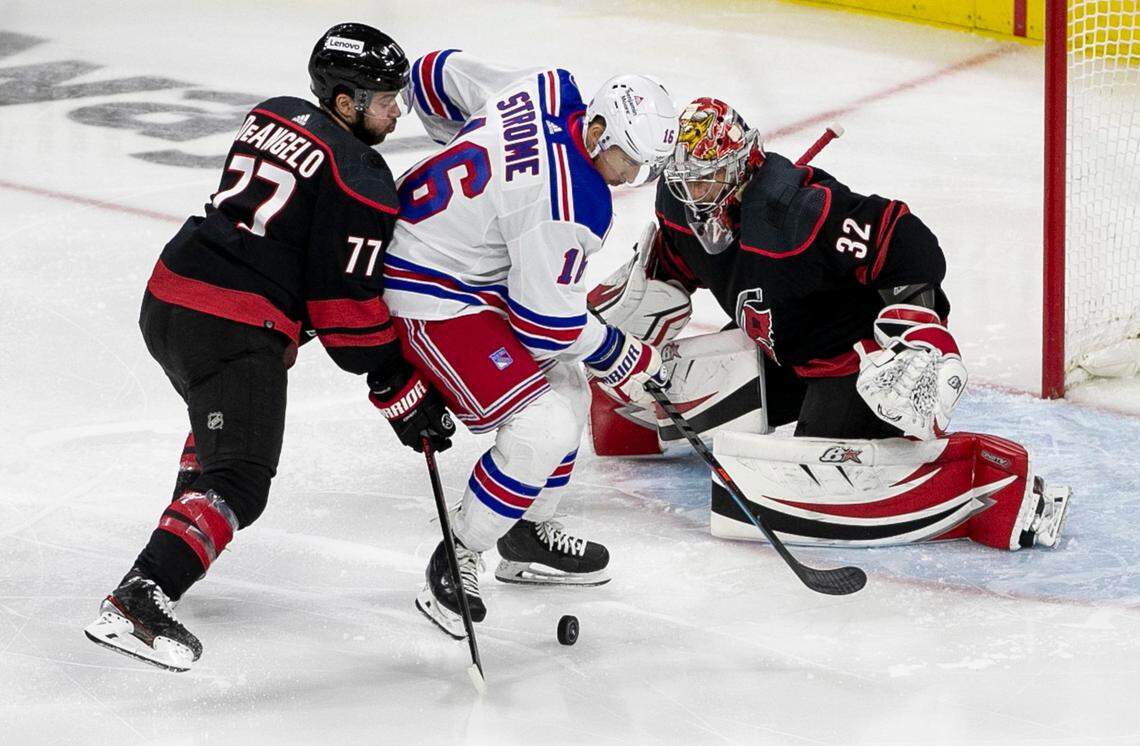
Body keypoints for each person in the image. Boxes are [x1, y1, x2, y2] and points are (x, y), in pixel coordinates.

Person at [83, 23, 454, 672]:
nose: (398, 110)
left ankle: (178, 541)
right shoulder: (362, 174)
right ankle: (143, 594)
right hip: (228, 328)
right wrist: (399, 385)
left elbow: (293, 242)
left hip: (168, 298)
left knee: (220, 423)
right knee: (241, 478)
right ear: (344, 101)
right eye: (384, 97)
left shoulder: (274, 116)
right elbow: (346, 319)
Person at [591, 97, 1070, 551]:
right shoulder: (680, 207)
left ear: (739, 169)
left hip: (850, 365)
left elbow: (903, 238)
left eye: (706, 179)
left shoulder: (798, 213)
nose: (693, 194)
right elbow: (674, 267)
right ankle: (631, 426)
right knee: (678, 379)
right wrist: (637, 310)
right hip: (781, 348)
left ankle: (985, 482)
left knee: (803, 475)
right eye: (683, 179)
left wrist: (922, 334)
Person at [386, 49, 677, 637]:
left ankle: (524, 533)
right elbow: (547, 323)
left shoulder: (545, 87)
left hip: (464, 271)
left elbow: (432, 72)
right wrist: (623, 356)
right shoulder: (570, 201)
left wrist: (472, 162)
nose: (632, 179)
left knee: (564, 386)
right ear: (596, 131)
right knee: (542, 422)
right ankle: (458, 553)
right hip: (426, 292)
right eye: (629, 161)